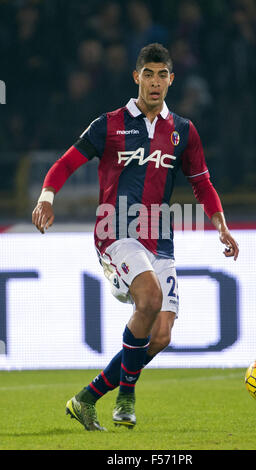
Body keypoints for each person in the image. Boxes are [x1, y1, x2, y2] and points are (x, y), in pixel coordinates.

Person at [32, 43, 239, 431]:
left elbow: (202, 182)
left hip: (160, 237)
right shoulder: (109, 124)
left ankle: (86, 398)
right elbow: (65, 163)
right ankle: (126, 396)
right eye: (149, 73)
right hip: (116, 232)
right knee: (149, 297)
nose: (156, 82)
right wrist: (47, 198)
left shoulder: (183, 131)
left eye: (163, 75)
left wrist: (221, 225)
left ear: (171, 79)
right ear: (136, 77)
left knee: (160, 333)